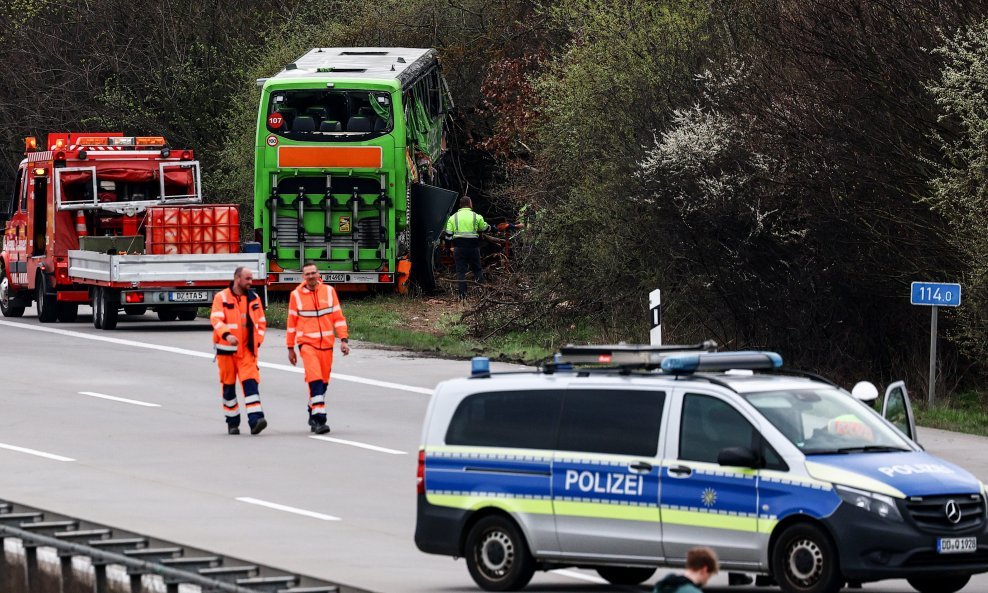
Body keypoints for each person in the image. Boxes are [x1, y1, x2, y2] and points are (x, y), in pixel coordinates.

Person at [286, 262, 350, 434]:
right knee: (314, 379)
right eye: (308, 274)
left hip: (327, 345)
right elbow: (291, 323)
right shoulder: (296, 295)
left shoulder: (329, 292)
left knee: (323, 383)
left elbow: (338, 317)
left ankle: (312, 411)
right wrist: (290, 347)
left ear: (318, 274)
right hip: (307, 344)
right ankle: (320, 420)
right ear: (303, 277)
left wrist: (343, 339)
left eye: (313, 273)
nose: (311, 276)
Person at [210, 266, 267, 435]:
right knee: (228, 388)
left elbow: (261, 323)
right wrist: (227, 335)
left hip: (248, 351)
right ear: (237, 279)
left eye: (251, 279)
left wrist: (258, 342)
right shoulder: (221, 297)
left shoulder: (254, 298)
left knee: (250, 384)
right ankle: (232, 422)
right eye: (247, 279)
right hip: (226, 350)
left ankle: (256, 420)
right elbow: (216, 319)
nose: (251, 282)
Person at [444, 195, 490, 299]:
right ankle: (482, 294)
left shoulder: (453, 218)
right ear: (470, 204)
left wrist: (448, 248)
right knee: (477, 269)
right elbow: (484, 228)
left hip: (459, 248)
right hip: (473, 248)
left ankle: (462, 296)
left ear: (460, 206)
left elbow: (448, 235)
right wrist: (491, 227)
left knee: (461, 272)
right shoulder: (476, 216)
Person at [653, 547, 719, 593]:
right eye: (709, 576)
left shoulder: (664, 584)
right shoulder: (692, 591)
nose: (707, 581)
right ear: (704, 570)